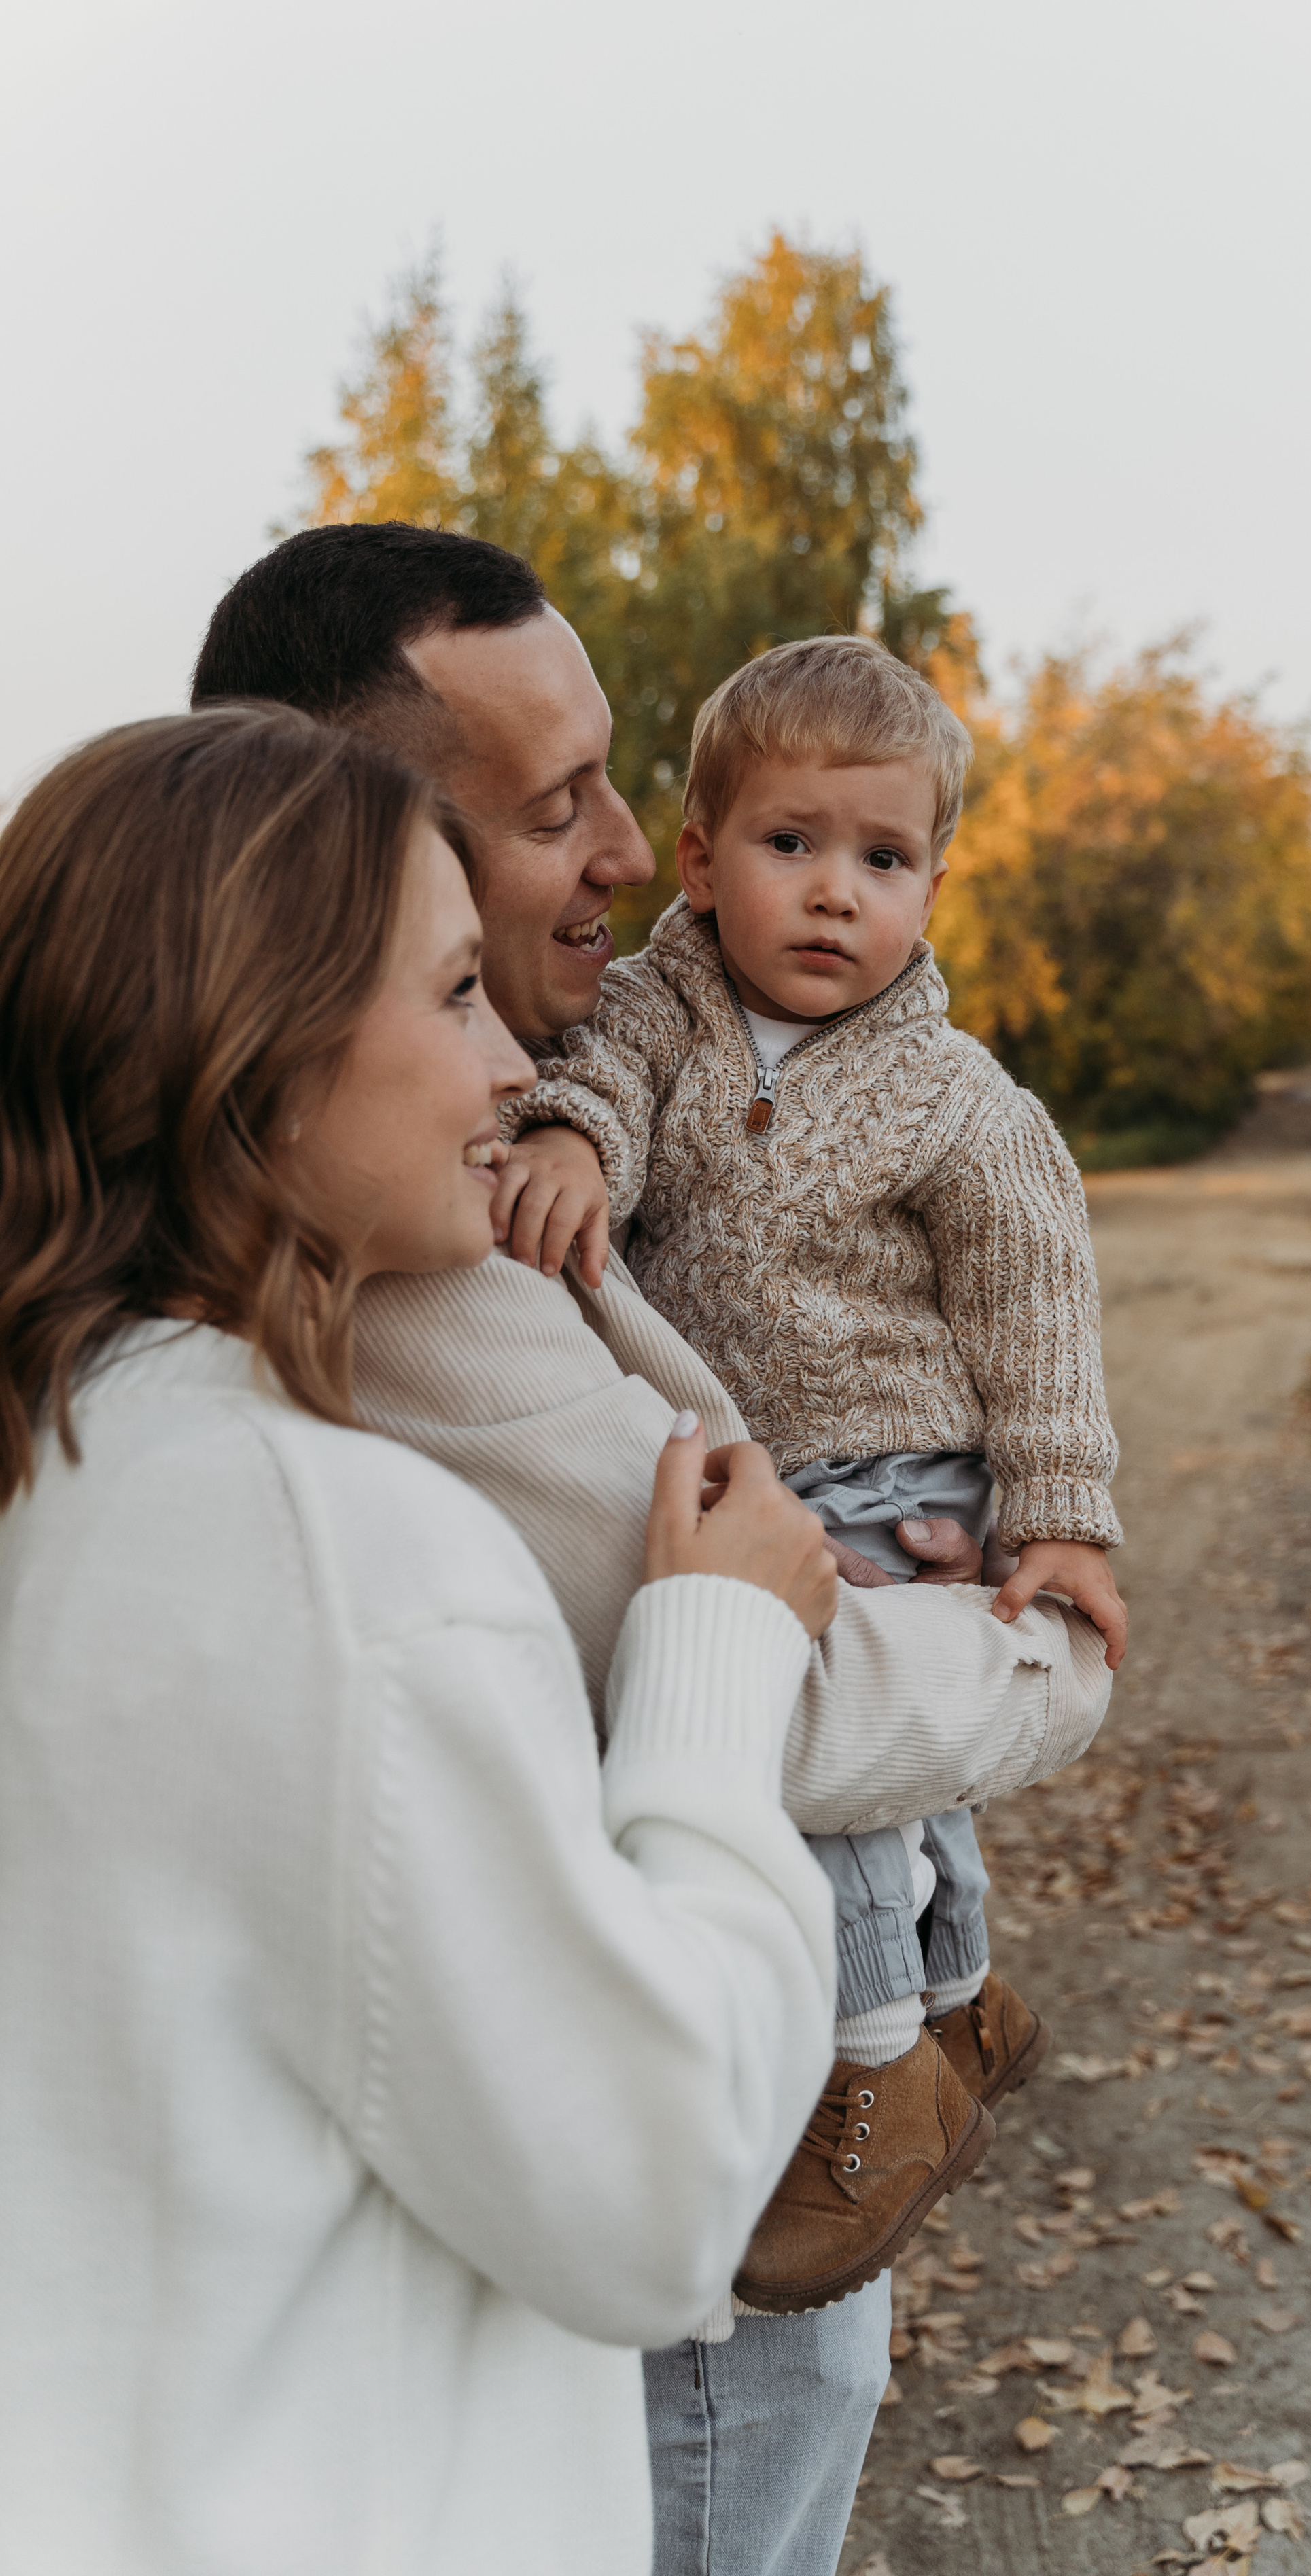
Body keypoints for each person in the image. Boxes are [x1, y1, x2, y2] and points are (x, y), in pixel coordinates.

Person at [190, 525, 1116, 2576]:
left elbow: (1024, 1288)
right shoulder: (430, 1282)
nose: (632, 849)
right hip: (687, 2177)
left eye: (619, 779)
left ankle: (935, 2015)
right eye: (559, 807)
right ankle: (915, 2035)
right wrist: (1053, 1653)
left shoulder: (846, 1106)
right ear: (352, 857)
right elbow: (787, 1690)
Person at [0, 705, 841, 2575]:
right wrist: (713, 1665)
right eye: (456, 994)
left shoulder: (55, 1482)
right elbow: (650, 2191)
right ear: (268, 1058)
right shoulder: (341, 1557)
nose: (505, 1069)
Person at [504, 633, 1128, 2315]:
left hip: (895, 1457)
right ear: (699, 861)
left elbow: (1036, 1315)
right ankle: (957, 2006)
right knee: (880, 1765)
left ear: (933, 883)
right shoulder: (654, 1004)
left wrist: (1061, 1517)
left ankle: (864, 2059)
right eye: (790, 847)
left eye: (882, 858)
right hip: (736, 1453)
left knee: (836, 1759)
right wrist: (571, 1139)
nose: (833, 894)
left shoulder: (953, 1100)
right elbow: (605, 1088)